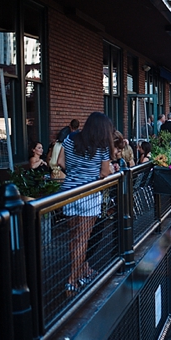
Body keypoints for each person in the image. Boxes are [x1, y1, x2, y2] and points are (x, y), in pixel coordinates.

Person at [57, 112, 113, 292]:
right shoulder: (102, 146)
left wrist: (76, 172)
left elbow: (60, 162)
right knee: (83, 239)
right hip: (88, 195)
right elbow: (104, 173)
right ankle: (72, 280)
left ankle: (80, 273)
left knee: (74, 239)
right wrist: (90, 174)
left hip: (69, 192)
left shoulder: (71, 139)